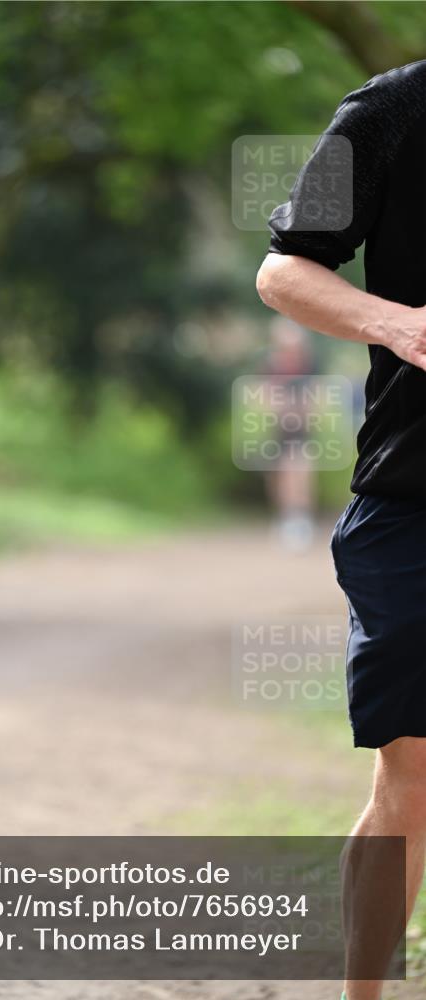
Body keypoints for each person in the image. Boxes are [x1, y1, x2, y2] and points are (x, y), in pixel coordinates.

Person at [255, 60, 426, 1000]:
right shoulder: (390, 111)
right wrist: (399, 324)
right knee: (414, 779)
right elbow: (282, 271)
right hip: (413, 502)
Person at [262, 316, 318, 551]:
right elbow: (263, 396)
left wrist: (300, 410)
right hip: (278, 431)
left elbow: (317, 399)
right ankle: (287, 518)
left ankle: (300, 520)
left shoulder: (308, 368)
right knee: (279, 477)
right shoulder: (272, 366)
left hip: (301, 432)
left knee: (300, 472)